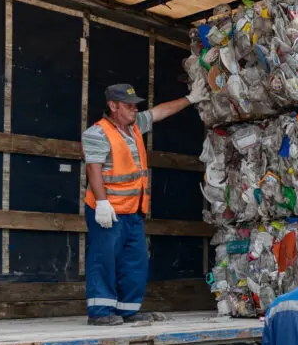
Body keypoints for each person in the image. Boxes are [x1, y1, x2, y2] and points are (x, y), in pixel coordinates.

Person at [82, 83, 207, 326]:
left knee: (135, 260)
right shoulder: (97, 133)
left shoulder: (135, 125)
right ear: (113, 106)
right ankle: (100, 311)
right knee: (104, 258)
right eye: (128, 106)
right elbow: (93, 169)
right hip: (109, 210)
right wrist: (102, 203)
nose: (134, 109)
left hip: (133, 210)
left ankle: (128, 309)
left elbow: (160, 112)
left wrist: (190, 99)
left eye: (135, 105)